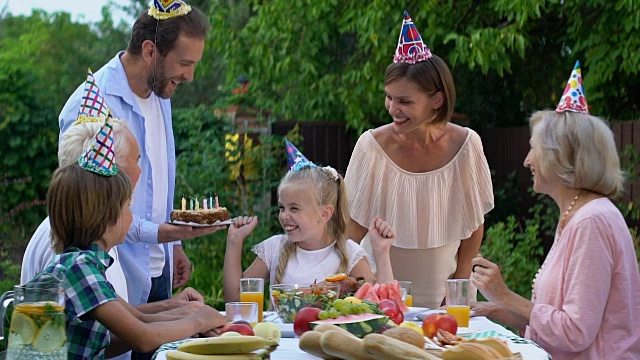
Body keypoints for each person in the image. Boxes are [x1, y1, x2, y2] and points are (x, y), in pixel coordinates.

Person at [57, 0, 221, 320]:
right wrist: (163, 233)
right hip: (112, 274)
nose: (190, 76)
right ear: (150, 51)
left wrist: (174, 248)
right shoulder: (91, 104)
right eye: (185, 63)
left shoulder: (160, 93)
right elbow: (88, 209)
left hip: (159, 268)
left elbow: (158, 180)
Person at [470, 61, 640, 359]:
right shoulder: (578, 215)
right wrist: (494, 309)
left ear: (559, 157)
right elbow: (555, 322)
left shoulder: (592, 221)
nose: (526, 160)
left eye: (533, 148)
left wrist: (504, 294)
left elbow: (574, 333)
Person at [35, 114, 225, 359]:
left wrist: (185, 312)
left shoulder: (84, 264)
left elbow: (138, 317)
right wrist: (197, 322)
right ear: (108, 218)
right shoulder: (79, 269)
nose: (131, 217)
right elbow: (142, 337)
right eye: (128, 207)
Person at [344, 11, 494, 308]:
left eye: (405, 101)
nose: (392, 108)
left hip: (447, 291)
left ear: (436, 100)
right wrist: (358, 284)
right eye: (389, 97)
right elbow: (351, 230)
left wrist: (458, 288)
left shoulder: (467, 145)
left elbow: (474, 225)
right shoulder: (370, 146)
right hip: (378, 290)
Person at [223, 142, 396, 301]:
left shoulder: (349, 253)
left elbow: (381, 302)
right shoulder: (274, 248)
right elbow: (235, 299)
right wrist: (234, 241)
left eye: (294, 208)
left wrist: (381, 252)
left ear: (325, 213)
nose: (284, 216)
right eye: (282, 208)